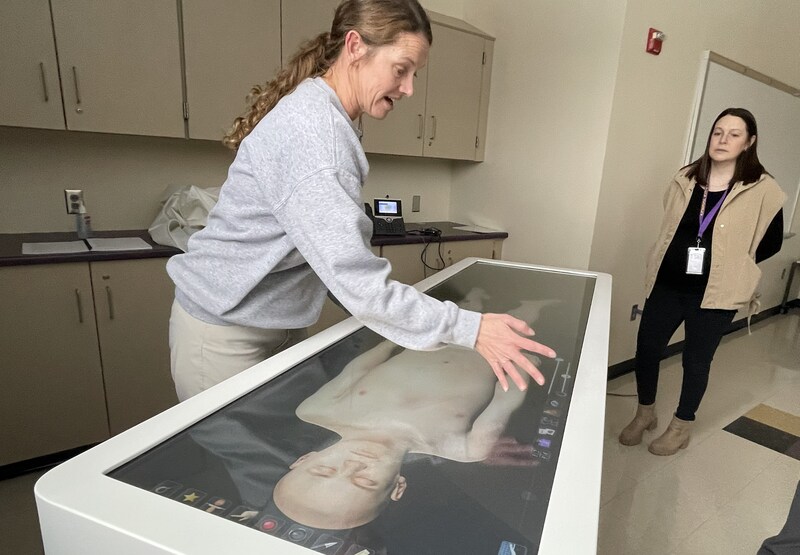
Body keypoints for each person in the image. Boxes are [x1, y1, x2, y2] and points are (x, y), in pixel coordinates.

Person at [166, 0, 555, 403]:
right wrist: (471, 329)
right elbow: (357, 283)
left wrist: (396, 310)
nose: (409, 89)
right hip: (224, 332)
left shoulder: (326, 117)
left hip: (273, 322)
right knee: (238, 447)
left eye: (415, 74)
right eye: (401, 69)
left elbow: (336, 268)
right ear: (355, 47)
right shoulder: (317, 137)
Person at [619, 107, 786, 456]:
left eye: (734, 134)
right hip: (666, 285)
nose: (723, 140)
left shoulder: (763, 189)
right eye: (717, 132)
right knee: (647, 350)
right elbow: (670, 223)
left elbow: (771, 242)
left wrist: (735, 266)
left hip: (716, 294)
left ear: (749, 142)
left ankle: (680, 426)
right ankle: (645, 413)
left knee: (696, 361)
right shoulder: (685, 178)